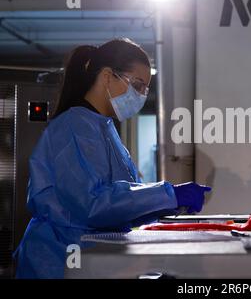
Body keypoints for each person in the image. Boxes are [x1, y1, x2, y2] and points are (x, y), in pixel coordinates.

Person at [14, 38, 211, 279]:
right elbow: (93, 205)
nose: (141, 95)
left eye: (145, 89)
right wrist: (167, 194)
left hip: (88, 261)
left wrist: (168, 203)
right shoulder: (75, 126)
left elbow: (117, 205)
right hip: (60, 261)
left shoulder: (102, 127)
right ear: (107, 76)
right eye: (137, 85)